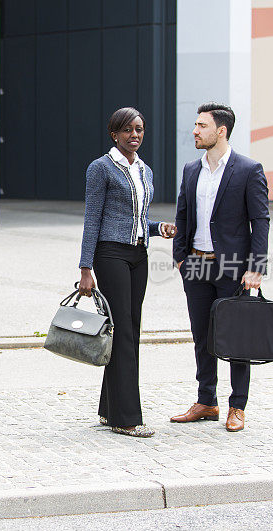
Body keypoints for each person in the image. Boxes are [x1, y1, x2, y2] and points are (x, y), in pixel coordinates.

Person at [171, 102, 270, 432]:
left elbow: (260, 220)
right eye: (196, 125)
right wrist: (180, 257)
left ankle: (237, 406)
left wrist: (256, 266)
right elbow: (183, 214)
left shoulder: (248, 169)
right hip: (196, 266)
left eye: (202, 126)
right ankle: (206, 401)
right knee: (202, 336)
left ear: (221, 131)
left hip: (232, 267)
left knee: (237, 337)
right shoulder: (190, 169)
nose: (195, 131)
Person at [78, 107, 176, 438]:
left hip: (139, 254)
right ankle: (126, 417)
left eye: (140, 129)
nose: (135, 135)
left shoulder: (145, 171)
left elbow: (134, 217)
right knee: (122, 333)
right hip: (110, 255)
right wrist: (85, 268)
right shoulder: (100, 168)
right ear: (114, 134)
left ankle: (109, 409)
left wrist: (157, 227)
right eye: (128, 130)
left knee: (131, 328)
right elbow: (93, 218)